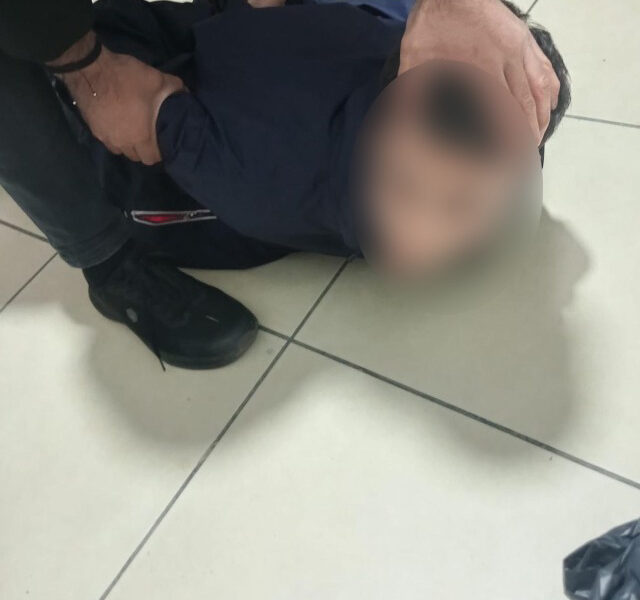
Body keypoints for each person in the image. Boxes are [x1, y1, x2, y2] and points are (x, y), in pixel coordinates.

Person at [0, 0, 563, 369]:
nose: (469, 233)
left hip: (236, 53)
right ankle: (108, 263)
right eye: (435, 200)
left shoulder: (411, 46)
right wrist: (92, 75)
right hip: (168, 145)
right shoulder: (267, 179)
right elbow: (155, 116)